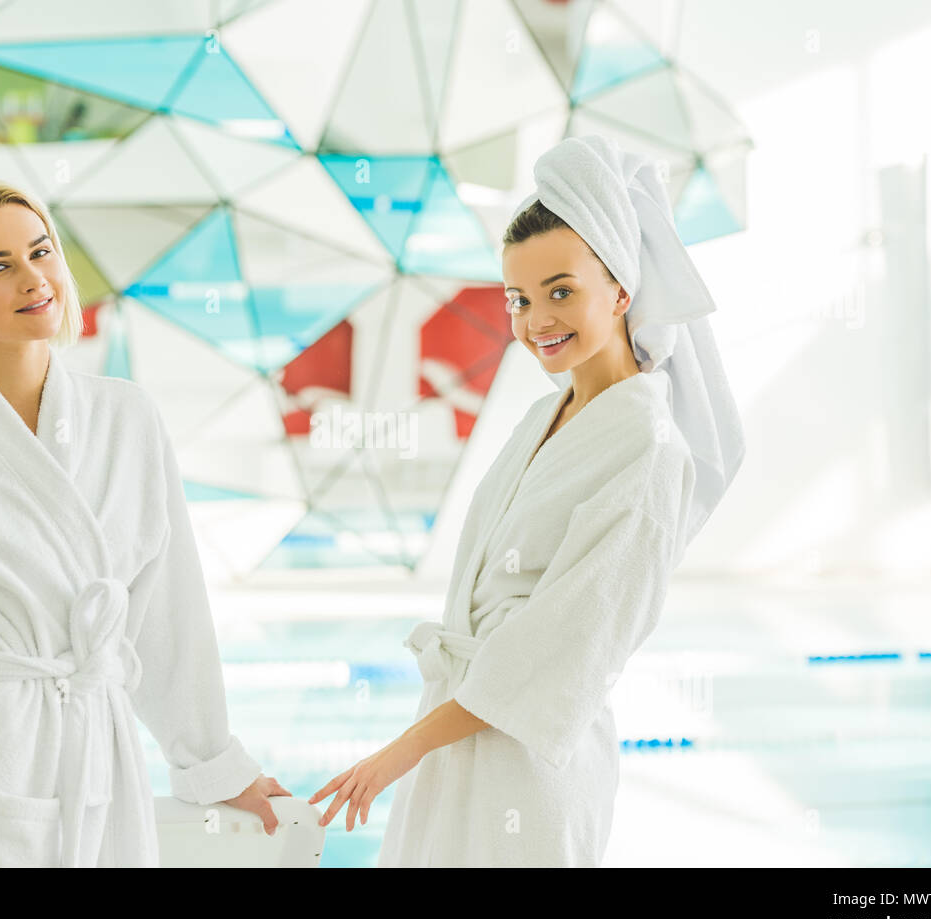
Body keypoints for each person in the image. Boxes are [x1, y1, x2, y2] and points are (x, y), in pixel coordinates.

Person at [0, 180, 288, 867]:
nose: (34, 277)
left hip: (100, 746)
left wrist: (216, 763)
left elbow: (167, 617)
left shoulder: (129, 419)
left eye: (41, 252)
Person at [310, 134, 746, 866]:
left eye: (561, 290)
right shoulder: (543, 420)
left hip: (531, 771)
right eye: (519, 298)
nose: (536, 319)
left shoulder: (649, 452)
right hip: (461, 739)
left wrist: (399, 754)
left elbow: (564, 647)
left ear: (621, 289)